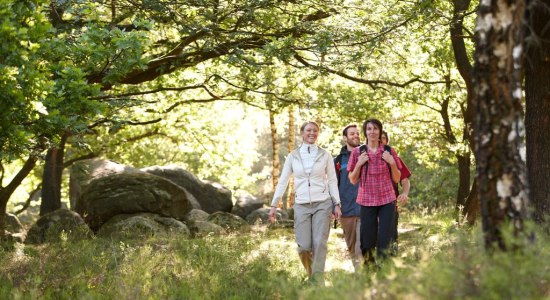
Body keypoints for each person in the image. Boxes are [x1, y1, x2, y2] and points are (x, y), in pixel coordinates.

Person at [269, 121, 342, 282]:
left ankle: (317, 281)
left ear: (318, 133)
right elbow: (283, 181)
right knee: (304, 247)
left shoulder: (325, 155)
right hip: (301, 205)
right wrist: (274, 205)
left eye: (315, 130)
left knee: (319, 244)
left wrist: (336, 203)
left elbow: (332, 181)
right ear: (302, 133)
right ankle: (312, 275)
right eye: (308, 130)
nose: (312, 133)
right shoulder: (293, 156)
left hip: (322, 203)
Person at [348, 118, 401, 266]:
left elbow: (396, 178)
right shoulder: (358, 152)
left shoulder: (389, 151)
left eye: (375, 129)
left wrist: (391, 162)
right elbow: (352, 179)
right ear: (365, 132)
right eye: (369, 129)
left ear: (380, 131)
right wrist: (359, 164)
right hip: (366, 200)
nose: (372, 132)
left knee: (385, 239)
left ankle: (384, 273)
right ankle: (370, 270)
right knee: (367, 242)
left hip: (387, 200)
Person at [334, 124, 363, 271]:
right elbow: (332, 185)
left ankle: (366, 280)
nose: (356, 136)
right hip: (347, 211)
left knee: (362, 248)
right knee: (353, 249)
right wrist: (335, 205)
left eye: (357, 133)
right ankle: (361, 279)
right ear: (345, 138)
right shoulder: (338, 161)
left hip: (367, 209)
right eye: (352, 134)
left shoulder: (368, 154)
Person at [381, 130, 411, 255]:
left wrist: (405, 193)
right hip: (369, 204)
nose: (380, 140)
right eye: (378, 138)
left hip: (390, 203)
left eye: (383, 138)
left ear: (387, 141)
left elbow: (405, 180)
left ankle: (392, 264)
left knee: (391, 236)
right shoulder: (365, 157)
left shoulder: (394, 158)